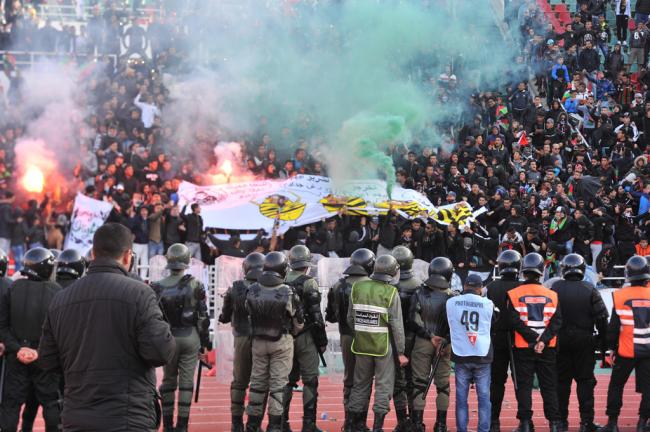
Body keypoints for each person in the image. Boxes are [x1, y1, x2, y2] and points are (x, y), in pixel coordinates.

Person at [38, 223, 176, 431]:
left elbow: (47, 360)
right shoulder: (140, 293)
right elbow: (160, 352)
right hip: (130, 417)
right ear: (128, 256)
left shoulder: (61, 299)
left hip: (78, 416)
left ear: (93, 253)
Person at [0, 248, 61, 432]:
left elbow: (2, 326)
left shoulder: (13, 288)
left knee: (11, 404)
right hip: (44, 359)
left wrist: (18, 349)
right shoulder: (56, 292)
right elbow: (58, 331)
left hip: (16, 357)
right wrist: (39, 352)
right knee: (51, 404)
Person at [153, 243, 211, 432]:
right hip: (190, 337)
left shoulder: (156, 286)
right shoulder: (196, 284)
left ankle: (168, 426)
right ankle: (182, 426)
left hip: (168, 338)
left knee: (168, 380)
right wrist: (205, 343)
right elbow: (203, 317)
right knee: (186, 383)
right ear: (186, 261)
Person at [346, 254, 408, 432]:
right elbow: (397, 325)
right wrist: (401, 352)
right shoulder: (390, 292)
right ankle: (377, 427)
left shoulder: (357, 287)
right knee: (383, 386)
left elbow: (350, 318)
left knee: (360, 385)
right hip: (383, 348)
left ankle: (353, 425)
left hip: (361, 345)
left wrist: (362, 331)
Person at [245, 252, 304, 432]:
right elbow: (299, 321)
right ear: (283, 270)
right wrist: (291, 333)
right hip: (281, 340)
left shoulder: (252, 289)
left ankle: (252, 425)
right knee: (278, 386)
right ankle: (274, 427)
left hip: (258, 340)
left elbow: (249, 316)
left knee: (257, 384)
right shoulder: (288, 291)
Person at [550, 254, 608, 432]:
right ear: (582, 270)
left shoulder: (555, 288)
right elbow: (602, 318)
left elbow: (548, 316)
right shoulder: (590, 288)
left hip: (560, 341)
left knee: (561, 383)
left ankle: (561, 423)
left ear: (564, 269)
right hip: (584, 340)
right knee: (585, 382)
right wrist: (601, 342)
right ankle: (586, 423)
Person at [507, 252, 563, 432]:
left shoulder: (514, 294)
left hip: (523, 347)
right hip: (547, 348)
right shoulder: (552, 295)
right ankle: (554, 424)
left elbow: (514, 321)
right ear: (541, 273)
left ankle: (525, 424)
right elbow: (557, 322)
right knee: (549, 386)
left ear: (523, 272)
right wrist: (542, 340)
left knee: (524, 386)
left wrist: (533, 338)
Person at [325, 248, 375, 430]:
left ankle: (348, 421)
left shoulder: (338, 285)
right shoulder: (373, 285)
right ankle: (360, 421)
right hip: (368, 337)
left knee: (349, 379)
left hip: (346, 336)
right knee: (365, 379)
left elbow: (329, 316)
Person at [600, 255, 650, 432]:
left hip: (625, 350)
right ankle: (643, 423)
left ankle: (613, 423)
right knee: (648, 389)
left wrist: (611, 348)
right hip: (648, 352)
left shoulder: (620, 296)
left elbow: (613, 327)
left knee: (616, 386)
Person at [443, 274, 497, 432]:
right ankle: (483, 429)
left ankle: (462, 429)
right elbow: (495, 319)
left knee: (461, 398)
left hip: (461, 354)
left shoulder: (451, 302)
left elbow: (448, 322)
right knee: (484, 397)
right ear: (480, 288)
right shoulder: (488, 304)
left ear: (465, 286)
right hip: (482, 354)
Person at [219, 252, 265, 432]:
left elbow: (225, 315)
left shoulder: (235, 287)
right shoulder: (268, 287)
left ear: (245, 268)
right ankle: (255, 423)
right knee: (260, 382)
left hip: (241, 337)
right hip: (263, 338)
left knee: (239, 382)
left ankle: (236, 423)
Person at [409, 257, 456, 432]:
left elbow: (412, 319)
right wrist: (444, 339)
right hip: (444, 344)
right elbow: (456, 324)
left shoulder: (418, 292)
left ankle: (417, 424)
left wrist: (429, 335)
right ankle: (441, 425)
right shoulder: (453, 296)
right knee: (443, 385)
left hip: (423, 341)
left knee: (419, 384)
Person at [284, 245, 327, 432]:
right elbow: (316, 315)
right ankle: (308, 424)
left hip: (284, 337)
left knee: (286, 381)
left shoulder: (281, 279)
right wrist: (322, 341)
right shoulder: (309, 282)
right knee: (310, 380)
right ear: (306, 264)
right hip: (306, 336)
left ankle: (281, 422)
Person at [486, 250, 521, 432]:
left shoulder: (492, 287)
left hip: (497, 337)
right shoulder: (521, 286)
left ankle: (494, 421)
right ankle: (524, 420)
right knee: (520, 380)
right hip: (519, 338)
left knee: (497, 381)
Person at [391, 245, 422, 431]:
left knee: (398, 381)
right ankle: (416, 421)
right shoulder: (419, 284)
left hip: (395, 339)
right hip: (416, 338)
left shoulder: (390, 286)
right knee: (415, 380)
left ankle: (403, 421)